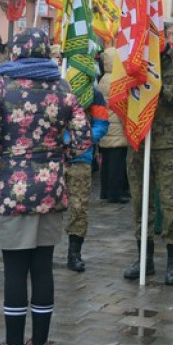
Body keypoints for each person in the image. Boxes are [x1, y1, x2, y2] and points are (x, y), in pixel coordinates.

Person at [0, 28, 93, 345]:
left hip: (12, 187)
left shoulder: (2, 87)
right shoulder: (62, 88)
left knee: (14, 270)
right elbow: (83, 138)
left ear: (16, 53)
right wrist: (59, 156)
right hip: (51, 188)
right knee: (43, 267)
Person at [122, 40, 173, 285]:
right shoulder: (132, 58)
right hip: (138, 139)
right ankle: (145, 258)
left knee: (171, 203)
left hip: (168, 142)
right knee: (140, 202)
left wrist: (158, 87)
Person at [64, 86, 109, 273]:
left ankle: (74, 253)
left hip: (81, 157)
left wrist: (83, 140)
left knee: (79, 206)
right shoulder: (53, 88)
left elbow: (102, 123)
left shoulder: (94, 94)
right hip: (50, 157)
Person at [97, 48, 129, 205]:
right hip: (117, 128)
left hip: (106, 126)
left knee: (107, 162)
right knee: (117, 163)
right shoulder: (117, 80)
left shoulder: (103, 79)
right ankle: (115, 193)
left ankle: (105, 191)